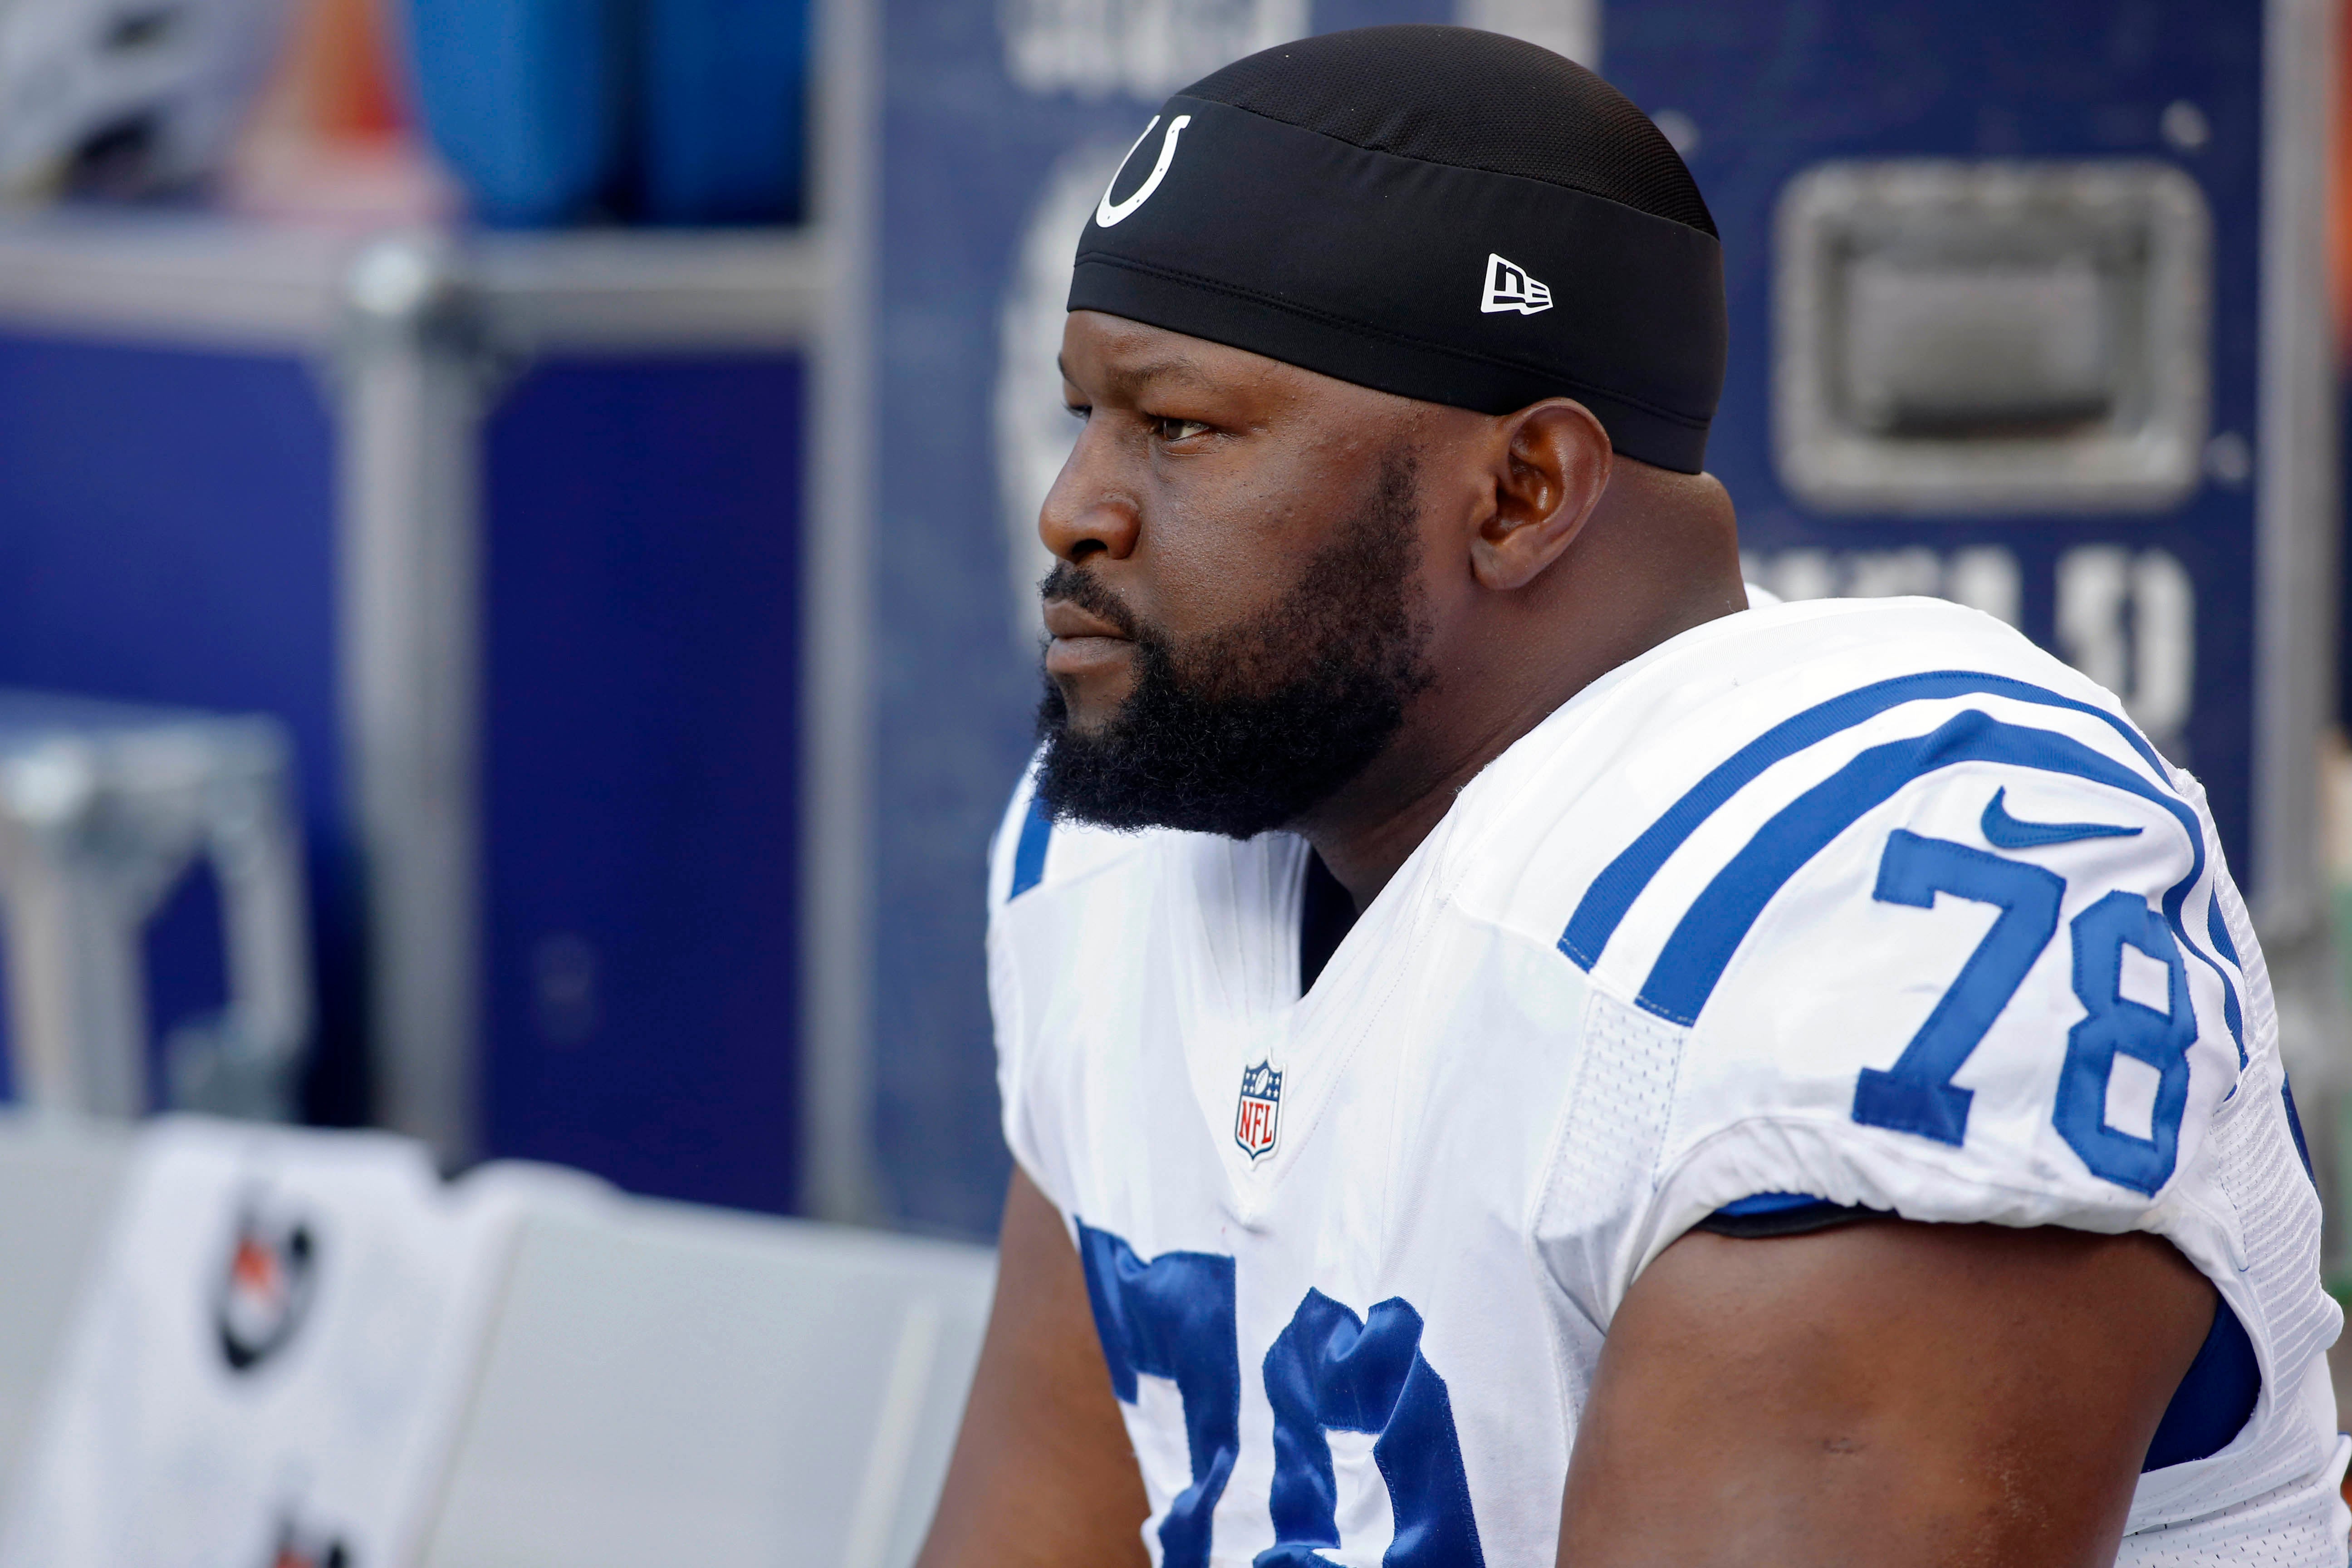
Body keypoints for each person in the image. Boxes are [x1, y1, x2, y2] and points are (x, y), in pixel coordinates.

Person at [916, 24, 2345, 1567]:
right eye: (1087, 418)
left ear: (1526, 490)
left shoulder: (1874, 873)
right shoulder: (1121, 852)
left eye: (1181, 427)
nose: (1075, 509)